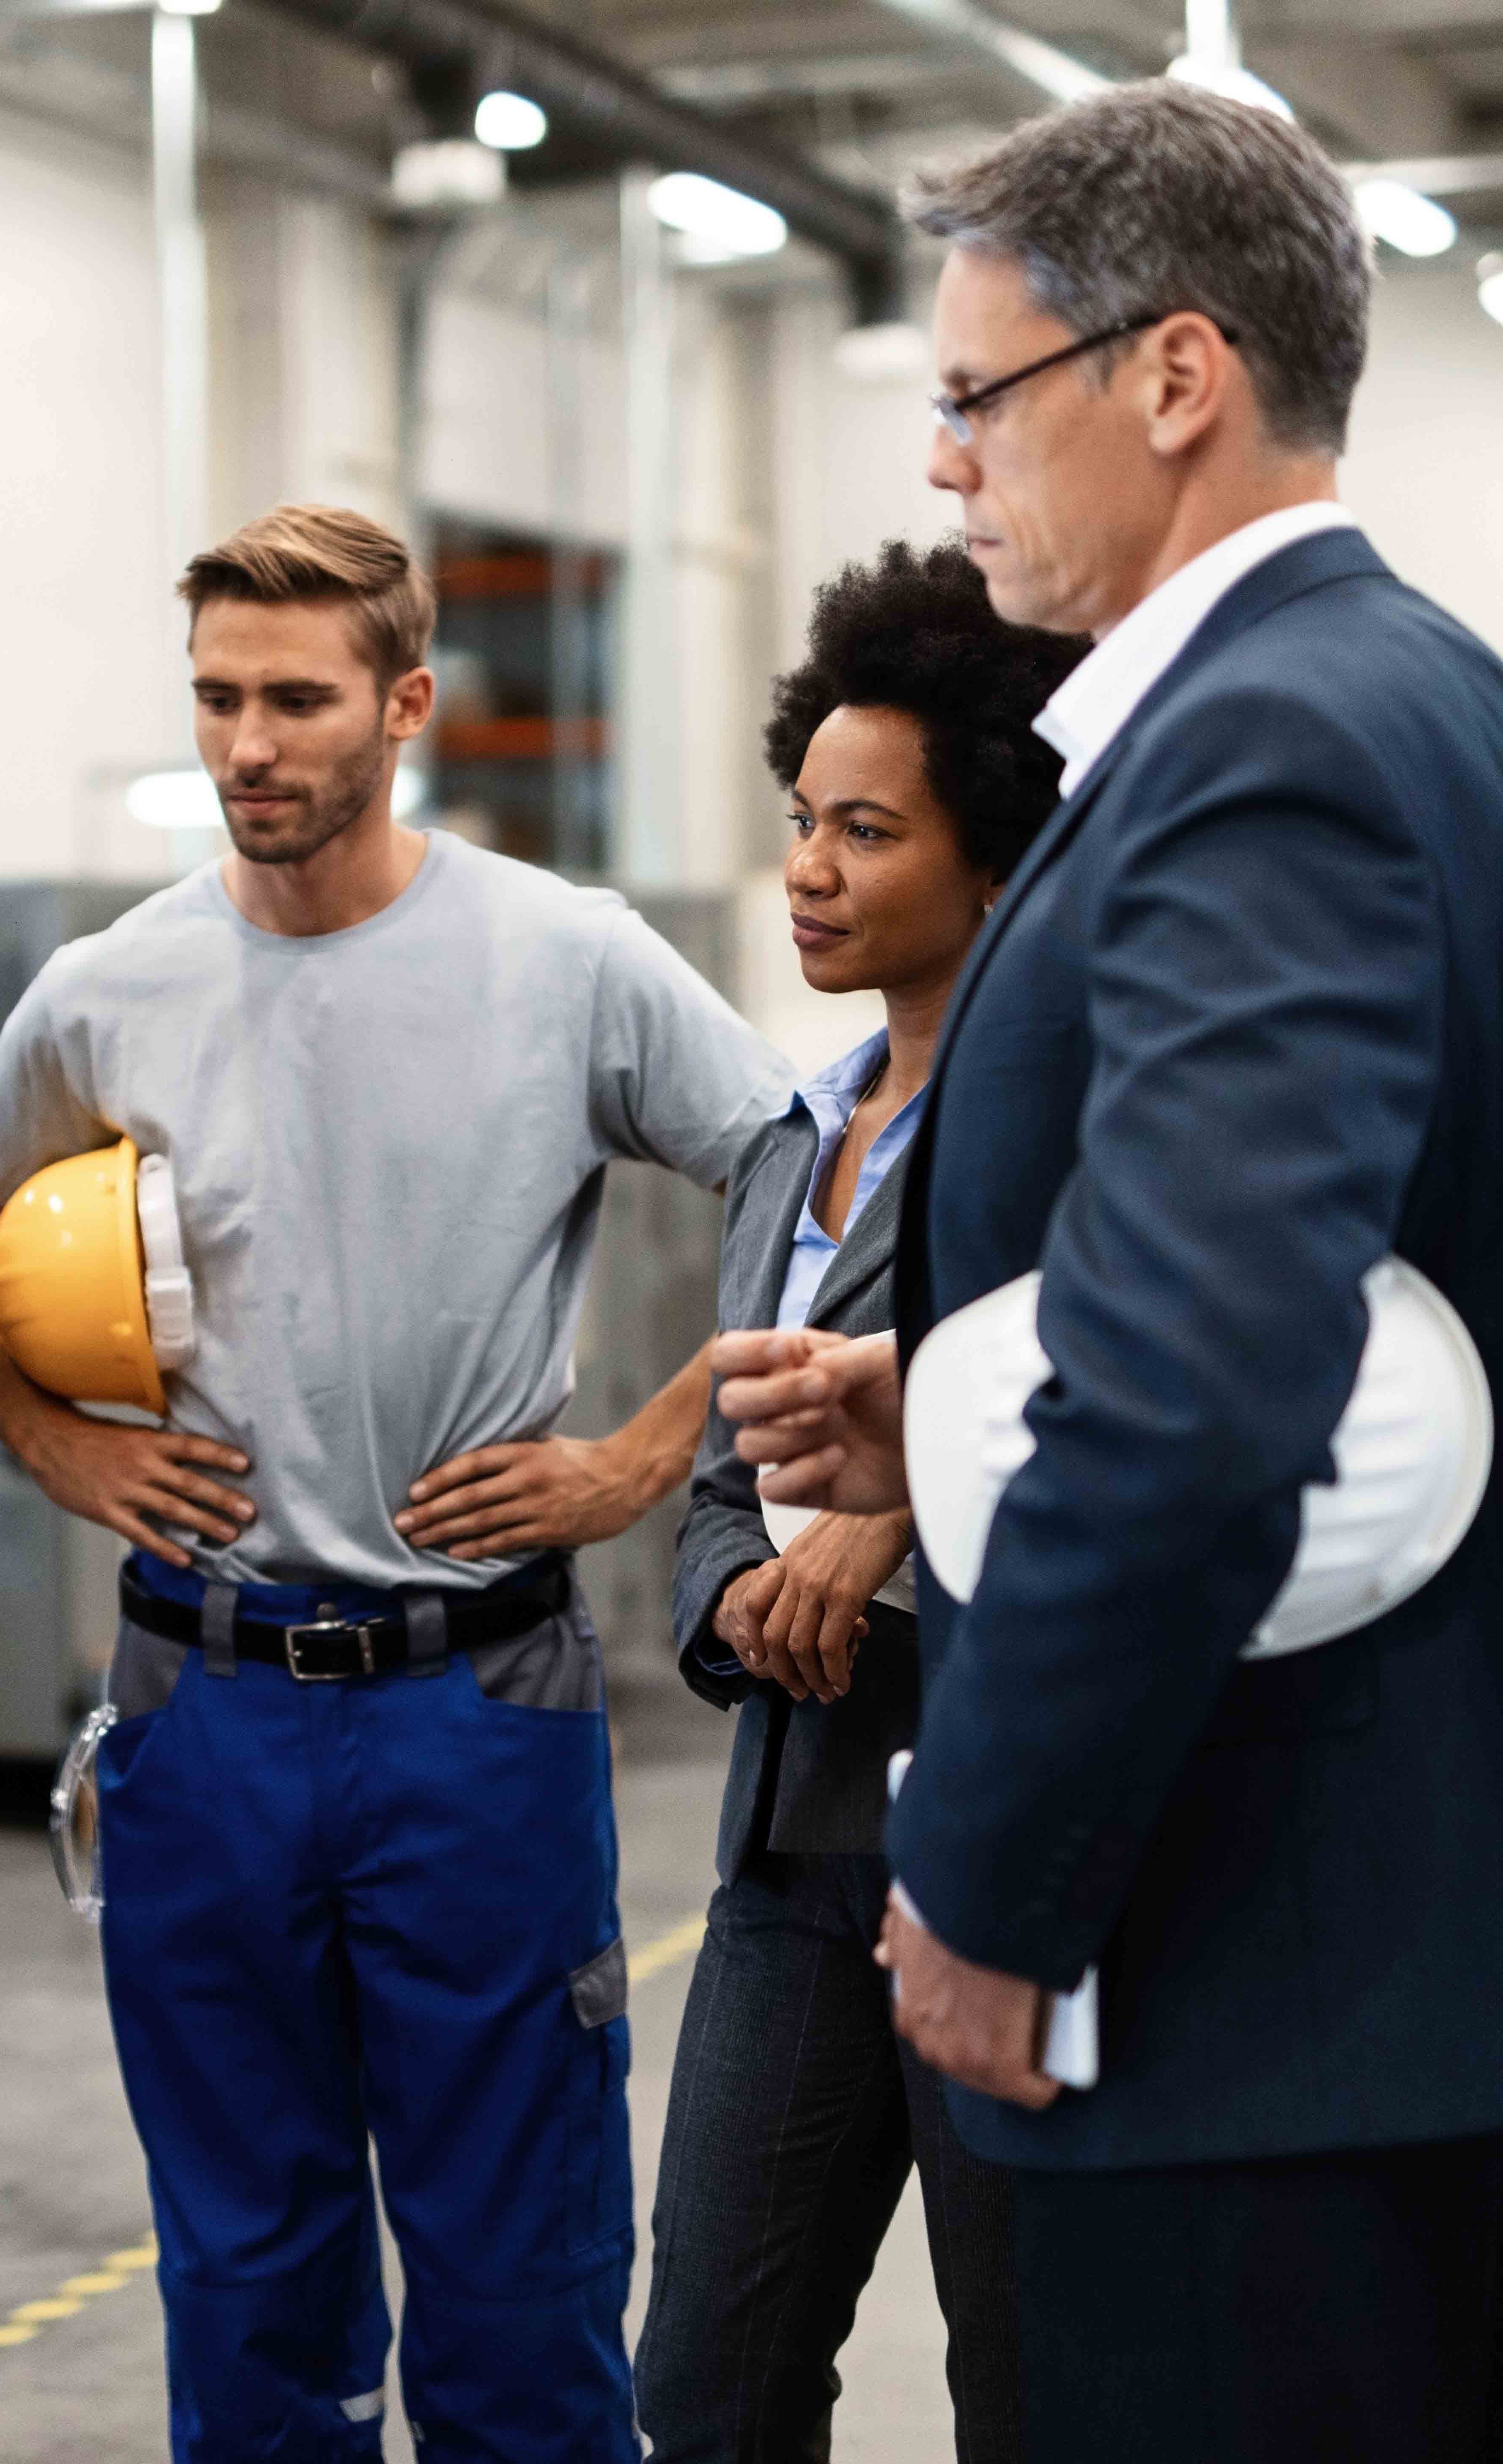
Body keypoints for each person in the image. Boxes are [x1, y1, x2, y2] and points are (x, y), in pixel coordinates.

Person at [711, 83, 1503, 2464]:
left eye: (972, 396)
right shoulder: (1419, 700)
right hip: (1371, 1983)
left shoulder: (1268, 749)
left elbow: (1192, 1394)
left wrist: (996, 1880)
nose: (946, 469)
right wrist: (943, 1405)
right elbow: (1345, 1302)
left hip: (1254, 1997)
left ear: (1175, 381)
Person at [0, 504, 793, 2463]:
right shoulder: (106, 989)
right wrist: (54, 1444)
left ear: (401, 705)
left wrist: (651, 1453)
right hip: (196, 1704)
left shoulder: (561, 958)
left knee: (521, 2278)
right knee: (247, 2285)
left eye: (294, 699)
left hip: (475, 1703)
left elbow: (797, 1166)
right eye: (216, 696)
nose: (247, 743)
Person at [633, 541, 1083, 2463]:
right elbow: (711, 1461)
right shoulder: (784, 1138)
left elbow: (1121, 1418)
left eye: (864, 830)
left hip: (1003, 1832)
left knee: (1036, 2381)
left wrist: (887, 1523)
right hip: (791, 1844)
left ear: (991, 857)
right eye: (799, 819)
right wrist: (738, 1587)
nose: (807, 865)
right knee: (706, 2381)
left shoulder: (1072, 1132)